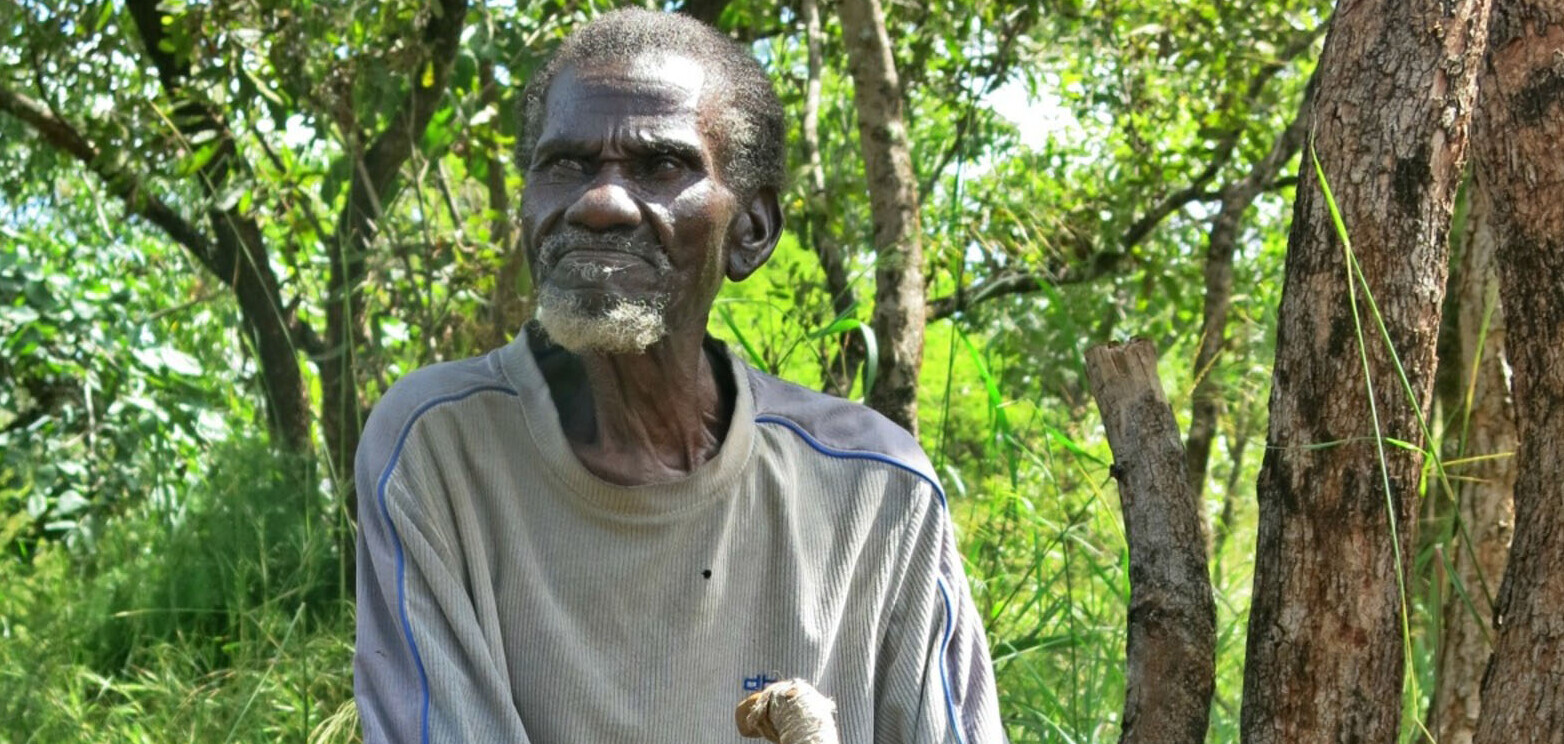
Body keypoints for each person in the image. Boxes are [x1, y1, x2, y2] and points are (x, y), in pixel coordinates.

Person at [353, 8, 1003, 743]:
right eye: (564, 164)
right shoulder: (439, 448)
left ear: (750, 231)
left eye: (662, 165)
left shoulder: (876, 489)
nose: (598, 203)